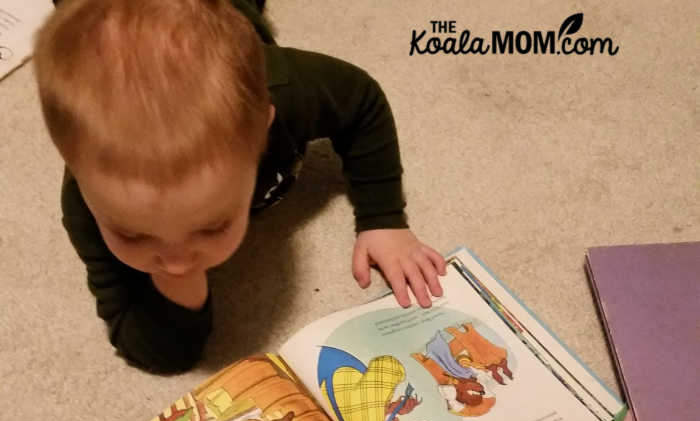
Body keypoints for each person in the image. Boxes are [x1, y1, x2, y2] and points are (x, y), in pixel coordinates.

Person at [34, 0, 447, 373]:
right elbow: (156, 351)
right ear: (71, 163)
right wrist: (179, 285)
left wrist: (384, 218)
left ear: (262, 133)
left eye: (212, 226)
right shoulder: (86, 205)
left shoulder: (288, 91)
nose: (175, 261)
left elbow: (362, 102)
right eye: (133, 233)